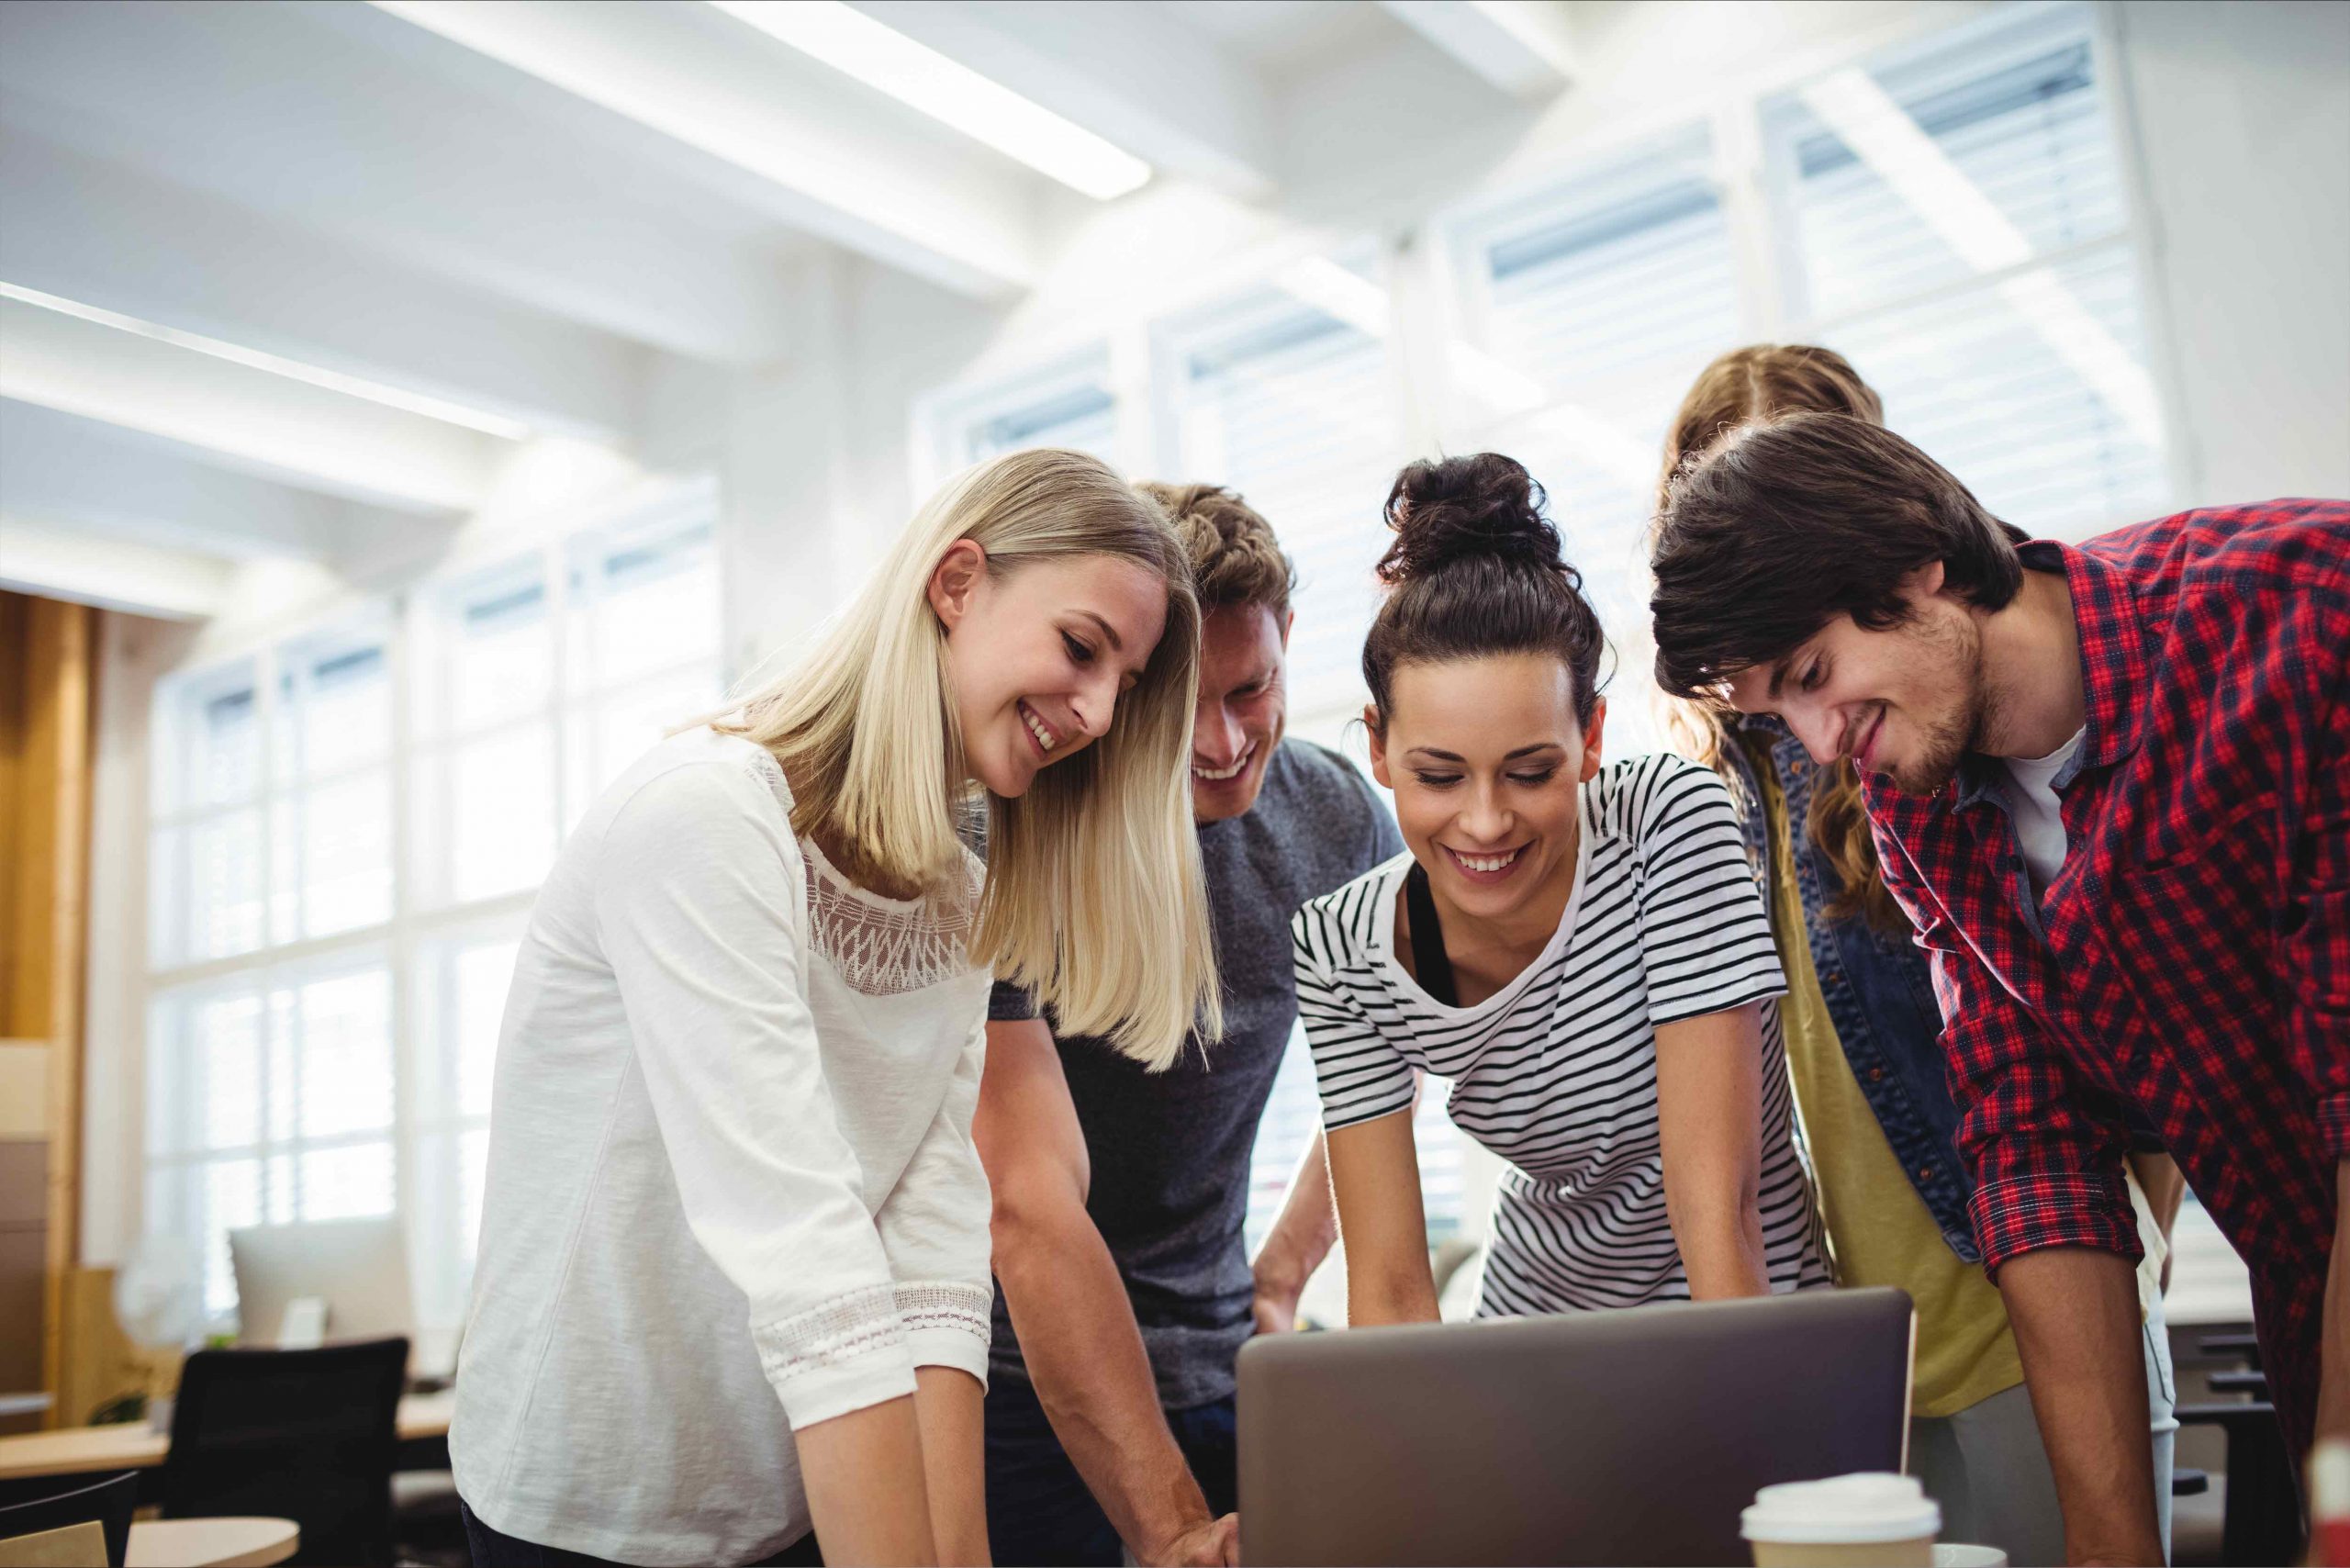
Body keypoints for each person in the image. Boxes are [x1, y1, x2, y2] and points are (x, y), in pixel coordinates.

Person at [451, 449, 1223, 1568]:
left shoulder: (958, 894)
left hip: (784, 1497)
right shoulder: (704, 818)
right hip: (590, 1501)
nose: (1100, 710)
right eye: (1081, 647)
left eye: (1127, 683)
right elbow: (804, 1245)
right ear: (957, 583)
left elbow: (933, 1251)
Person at [1650, 414, 2349, 1565]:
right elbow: (2033, 1151)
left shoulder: (2296, 619)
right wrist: (2108, 1544)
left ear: (1916, 562)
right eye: (1780, 711)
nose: (1823, 745)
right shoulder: (1916, 801)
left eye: (1815, 675)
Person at [1294, 453, 1830, 1334]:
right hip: (1534, 1334)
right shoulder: (1342, 950)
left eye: (1529, 771)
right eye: (1438, 776)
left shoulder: (1667, 821)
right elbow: (1389, 1289)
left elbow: (1719, 1209)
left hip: (1745, 1318)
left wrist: (1754, 1420)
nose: (1485, 822)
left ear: (1589, 738)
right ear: (1380, 749)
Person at [978, 483, 1404, 1567]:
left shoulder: (1335, 814)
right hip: (1014, 1381)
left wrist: (1282, 1272)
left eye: (1252, 688)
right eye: (1182, 710)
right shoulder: (1014, 831)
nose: (1221, 741)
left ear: (1291, 645)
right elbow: (1023, 1207)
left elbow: (1389, 1062)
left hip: (1226, 1365)